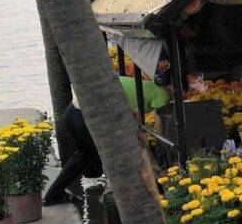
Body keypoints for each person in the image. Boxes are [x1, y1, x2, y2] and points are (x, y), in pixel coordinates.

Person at [43, 75, 171, 205]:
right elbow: (154, 127)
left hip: (71, 112)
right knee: (112, 157)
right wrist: (155, 163)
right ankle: (123, 199)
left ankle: (56, 195)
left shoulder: (135, 85)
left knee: (83, 156)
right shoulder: (161, 94)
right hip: (84, 117)